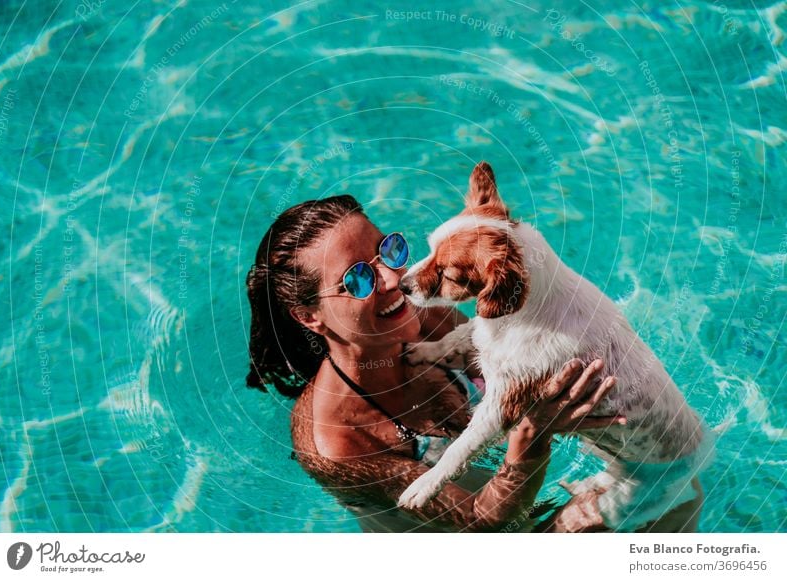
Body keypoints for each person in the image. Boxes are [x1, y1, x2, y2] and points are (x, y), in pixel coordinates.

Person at [245, 195, 703, 532]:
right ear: (308, 316)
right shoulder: (339, 442)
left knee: (674, 488)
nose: (393, 278)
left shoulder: (428, 322)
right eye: (358, 278)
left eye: (388, 251)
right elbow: (479, 527)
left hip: (513, 495)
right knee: (656, 509)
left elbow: (519, 376)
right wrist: (532, 436)